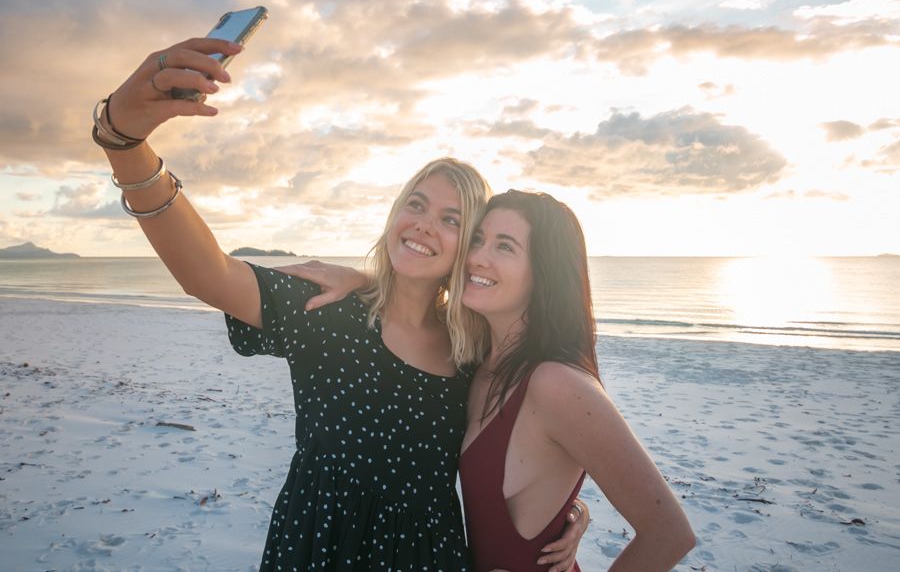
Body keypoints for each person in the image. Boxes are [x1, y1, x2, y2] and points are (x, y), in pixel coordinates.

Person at [92, 37, 588, 571]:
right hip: (318, 549)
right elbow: (206, 273)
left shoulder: (475, 348)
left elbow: (517, 449)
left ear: (469, 245)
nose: (424, 223)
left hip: (429, 557)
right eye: (416, 205)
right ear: (395, 215)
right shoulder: (326, 308)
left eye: (451, 219)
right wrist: (124, 143)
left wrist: (564, 510)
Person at [459, 191, 696, 571]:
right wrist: (575, 512)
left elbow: (669, 533)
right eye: (478, 239)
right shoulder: (475, 363)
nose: (477, 257)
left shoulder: (555, 384)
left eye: (505, 246)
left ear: (544, 272)